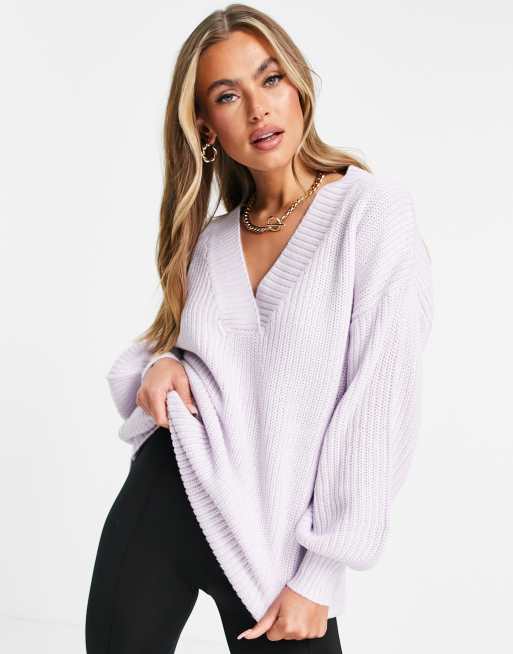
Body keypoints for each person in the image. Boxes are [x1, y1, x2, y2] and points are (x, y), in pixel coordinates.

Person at [85, 4, 434, 653]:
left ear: (298, 84)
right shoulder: (210, 243)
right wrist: (163, 363)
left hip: (274, 559)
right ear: (205, 125)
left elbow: (380, 404)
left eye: (270, 79)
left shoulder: (370, 214)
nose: (257, 109)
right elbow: (179, 345)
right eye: (227, 95)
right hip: (166, 495)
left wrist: (321, 572)